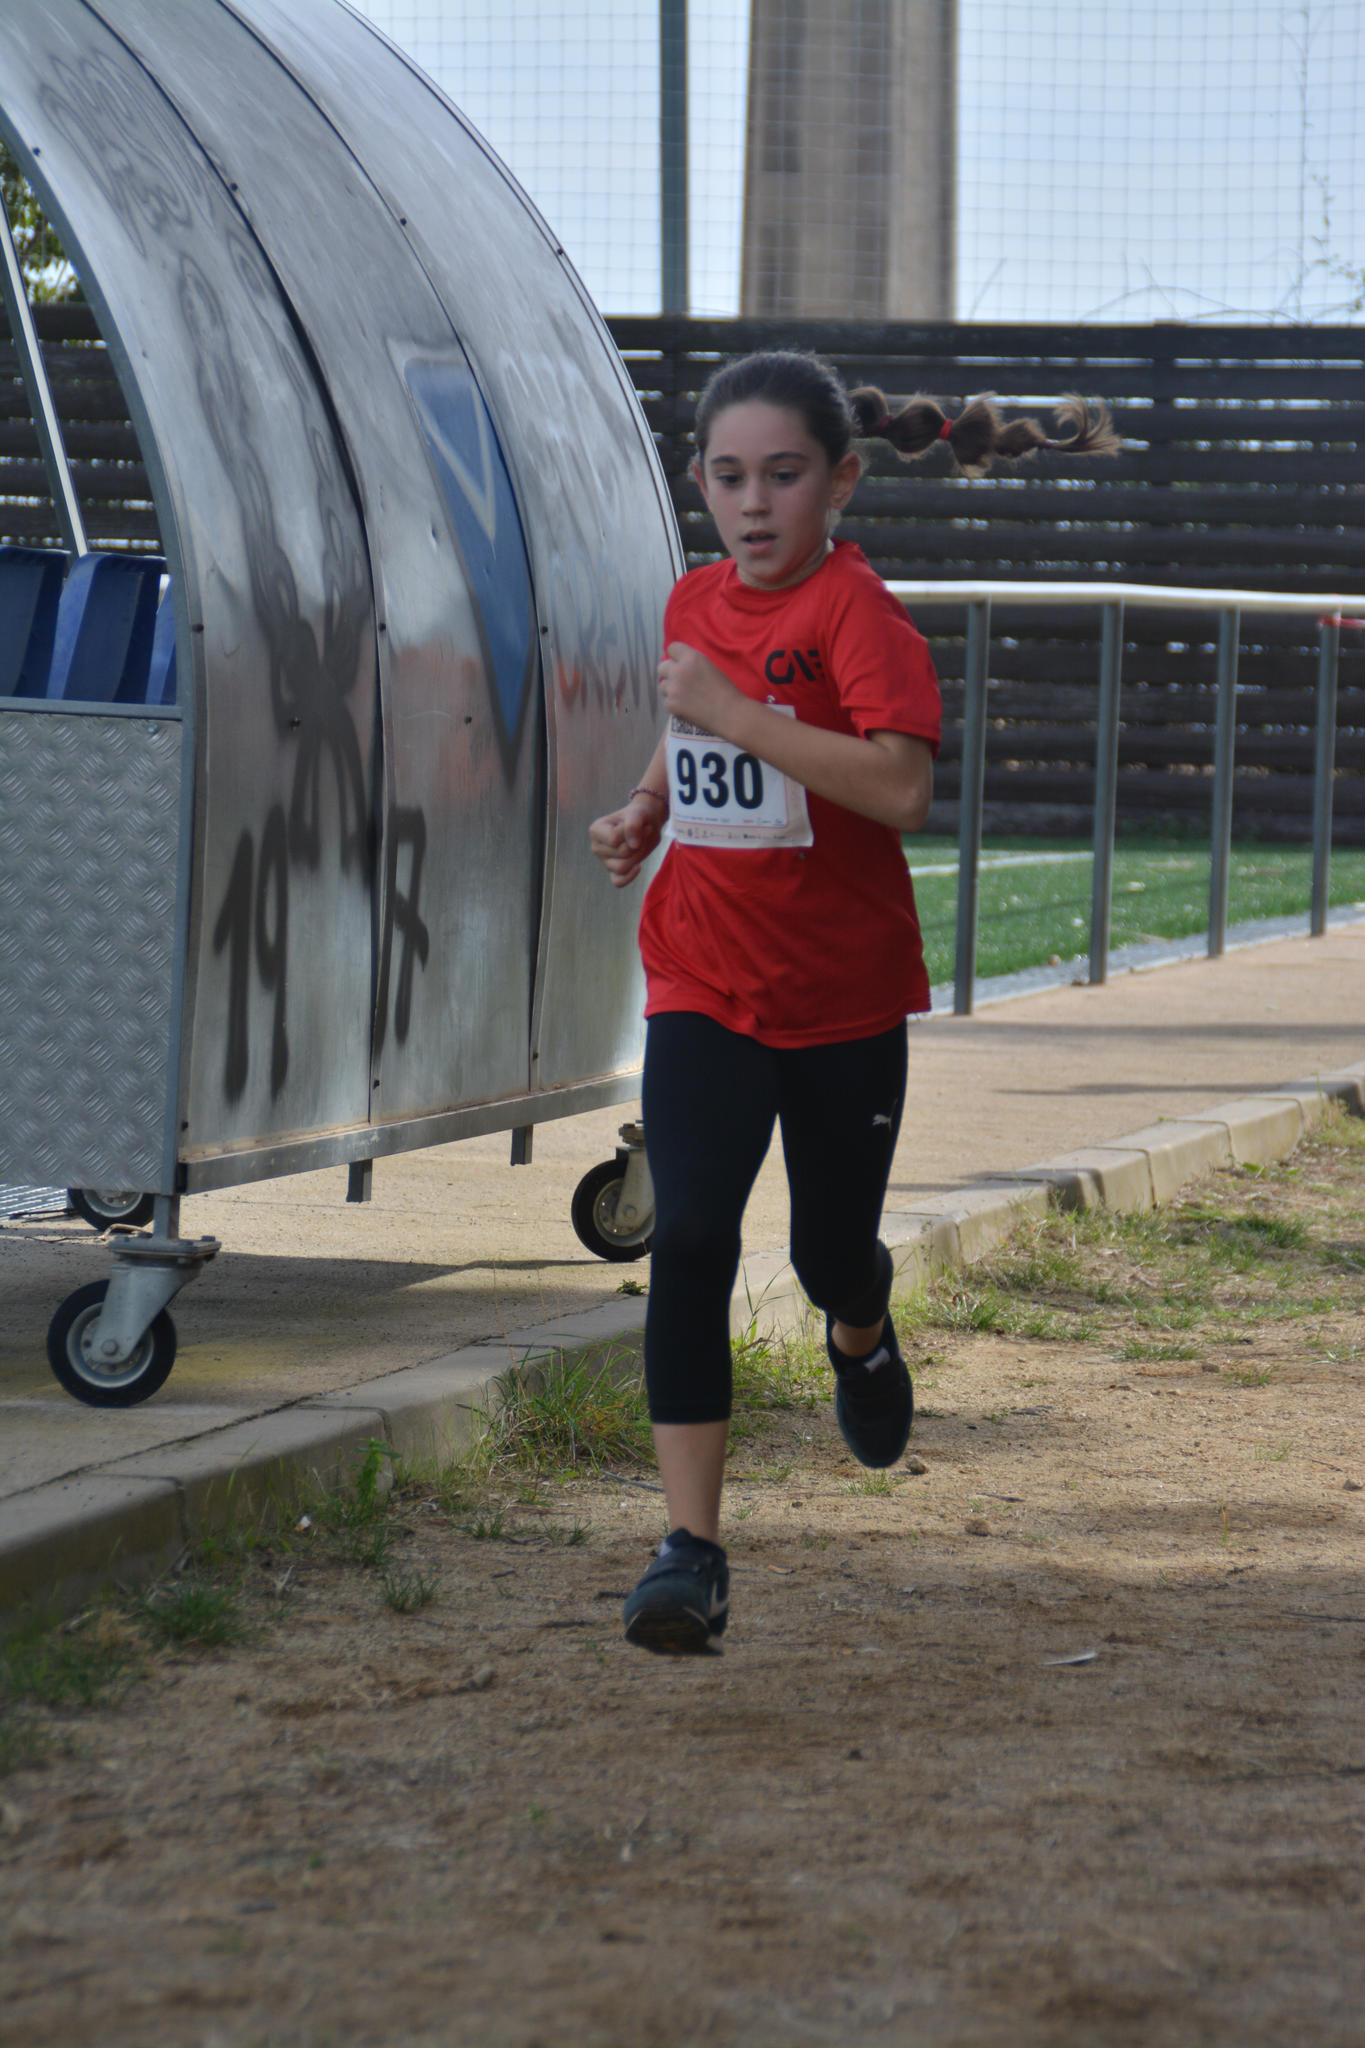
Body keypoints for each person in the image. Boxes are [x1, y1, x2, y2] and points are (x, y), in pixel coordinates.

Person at [589, 351, 1116, 1655]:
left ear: (841, 482)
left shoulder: (857, 614)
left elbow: (897, 788)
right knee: (692, 1238)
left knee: (829, 1254)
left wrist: (733, 710)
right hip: (703, 976)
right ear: (699, 483)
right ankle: (689, 1551)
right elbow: (691, 731)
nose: (752, 503)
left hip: (840, 998)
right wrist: (646, 806)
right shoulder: (695, 598)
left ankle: (861, 1334)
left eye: (781, 476)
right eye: (727, 477)